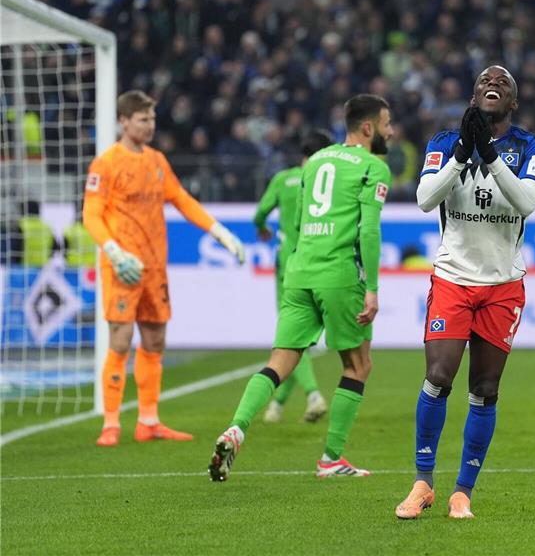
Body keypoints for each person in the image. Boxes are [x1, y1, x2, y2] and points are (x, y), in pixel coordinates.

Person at [209, 94, 393, 481]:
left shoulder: (316, 162)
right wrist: (373, 287)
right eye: (386, 124)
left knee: (280, 360)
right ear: (368, 127)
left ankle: (237, 427)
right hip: (339, 275)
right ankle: (330, 459)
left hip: (297, 272)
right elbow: (369, 230)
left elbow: (300, 221)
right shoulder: (373, 167)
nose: (391, 132)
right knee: (358, 365)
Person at [395, 65, 535, 520]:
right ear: (473, 96)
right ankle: (423, 483)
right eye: (485, 81)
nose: (493, 84)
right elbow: (425, 199)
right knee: (438, 376)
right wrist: (464, 152)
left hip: (503, 285)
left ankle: (462, 491)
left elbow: (526, 202)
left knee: (484, 388)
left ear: (513, 102)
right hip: (453, 278)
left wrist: (490, 154)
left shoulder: (532, 148)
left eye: (502, 83)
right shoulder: (445, 143)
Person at [83, 90, 245, 447]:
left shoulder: (157, 161)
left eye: (153, 119)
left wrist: (219, 232)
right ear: (124, 121)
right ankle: (111, 423)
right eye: (143, 119)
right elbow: (91, 215)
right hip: (123, 266)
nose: (150, 125)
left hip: (154, 267)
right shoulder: (106, 164)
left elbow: (183, 200)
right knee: (120, 339)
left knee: (155, 340)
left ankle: (149, 421)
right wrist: (113, 251)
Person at [255, 131, 333, 424]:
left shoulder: (283, 179)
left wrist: (263, 229)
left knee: (290, 338)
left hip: (289, 266)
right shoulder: (329, 182)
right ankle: (277, 405)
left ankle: (313, 395)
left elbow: (259, 214)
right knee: (301, 339)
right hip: (320, 262)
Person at [16, 200, 59, 267]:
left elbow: (15, 248)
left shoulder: (21, 225)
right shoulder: (46, 227)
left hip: (24, 267)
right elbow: (56, 247)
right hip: (43, 267)